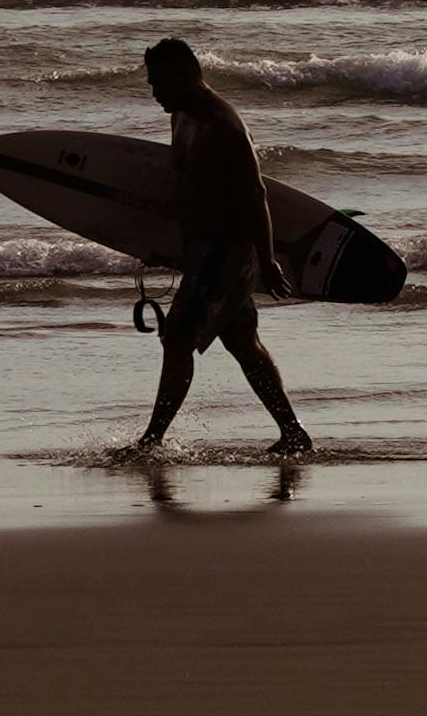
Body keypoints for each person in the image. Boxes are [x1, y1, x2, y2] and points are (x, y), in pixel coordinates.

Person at [123, 35, 313, 460]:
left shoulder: (221, 125)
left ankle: (151, 441)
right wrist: (160, 243)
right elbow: (189, 192)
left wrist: (265, 260)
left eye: (159, 83)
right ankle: (294, 433)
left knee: (176, 340)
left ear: (185, 75)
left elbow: (256, 194)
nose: (154, 93)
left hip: (228, 252)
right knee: (243, 342)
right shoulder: (182, 116)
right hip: (204, 250)